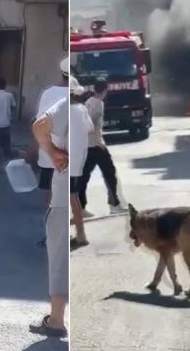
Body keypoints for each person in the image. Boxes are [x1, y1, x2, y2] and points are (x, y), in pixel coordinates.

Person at [30, 89, 71, 338]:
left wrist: (53, 151)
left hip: (65, 191)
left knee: (59, 255)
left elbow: (39, 126)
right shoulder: (92, 105)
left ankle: (56, 320)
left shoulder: (66, 104)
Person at [33, 59, 70, 247]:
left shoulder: (48, 94)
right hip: (70, 157)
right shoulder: (77, 96)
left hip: (49, 157)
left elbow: (39, 123)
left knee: (51, 200)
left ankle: (50, 236)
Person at [78, 77, 127, 216]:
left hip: (88, 145)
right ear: (105, 90)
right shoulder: (98, 103)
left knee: (84, 176)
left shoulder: (88, 102)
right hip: (97, 145)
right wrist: (97, 139)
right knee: (109, 173)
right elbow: (91, 123)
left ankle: (81, 207)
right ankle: (114, 205)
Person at [69, 77, 93, 249]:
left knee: (69, 197)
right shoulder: (82, 109)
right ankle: (80, 233)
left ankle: (81, 234)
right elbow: (90, 128)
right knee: (74, 196)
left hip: (68, 159)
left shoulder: (65, 111)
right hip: (79, 160)